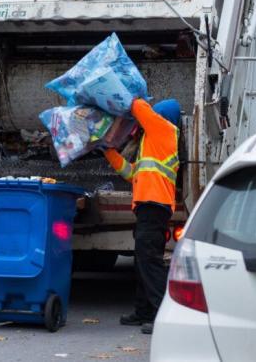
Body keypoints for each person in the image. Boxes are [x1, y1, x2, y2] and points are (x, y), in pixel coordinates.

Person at [103, 98, 180, 335]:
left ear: (161, 116)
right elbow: (133, 173)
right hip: (149, 206)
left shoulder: (165, 130)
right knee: (143, 260)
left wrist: (129, 96)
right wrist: (108, 153)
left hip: (155, 205)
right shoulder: (152, 141)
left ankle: (161, 315)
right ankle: (143, 311)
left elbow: (139, 109)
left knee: (150, 262)